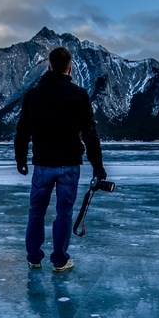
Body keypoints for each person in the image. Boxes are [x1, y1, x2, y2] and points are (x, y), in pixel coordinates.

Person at [14, 46, 107, 273]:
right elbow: (90, 134)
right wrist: (98, 167)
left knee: (36, 212)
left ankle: (34, 257)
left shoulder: (33, 95)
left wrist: (21, 159)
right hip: (69, 165)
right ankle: (59, 260)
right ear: (69, 66)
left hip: (42, 164)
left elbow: (22, 130)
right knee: (63, 213)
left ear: (49, 65)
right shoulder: (79, 95)